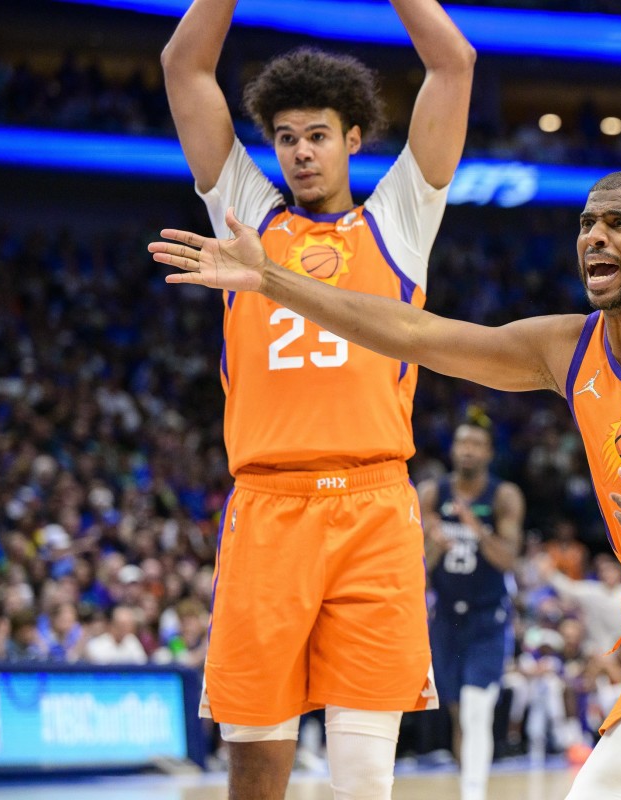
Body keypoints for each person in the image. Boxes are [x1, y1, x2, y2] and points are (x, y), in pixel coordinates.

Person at [150, 170, 621, 800]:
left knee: (607, 789)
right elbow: (416, 334)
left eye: (618, 223)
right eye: (586, 224)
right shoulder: (569, 347)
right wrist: (271, 280)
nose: (595, 237)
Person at [159, 1, 475, 797]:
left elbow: (454, 63)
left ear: (353, 139)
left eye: (318, 136)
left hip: (374, 508)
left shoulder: (399, 221)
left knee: (364, 777)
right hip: (270, 507)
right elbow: (184, 68)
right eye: (287, 138)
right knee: (256, 767)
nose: (301, 152)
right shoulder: (248, 220)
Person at [417, 416, 524, 800]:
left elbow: (508, 560)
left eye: (476, 444)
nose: (468, 450)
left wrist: (476, 530)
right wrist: (434, 543)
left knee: (477, 710)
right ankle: (469, 787)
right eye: (463, 442)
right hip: (446, 617)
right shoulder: (432, 493)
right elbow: (416, 569)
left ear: (489, 453)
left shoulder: (503, 496)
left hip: (487, 616)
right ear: (453, 448)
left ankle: (473, 792)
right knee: (459, 713)